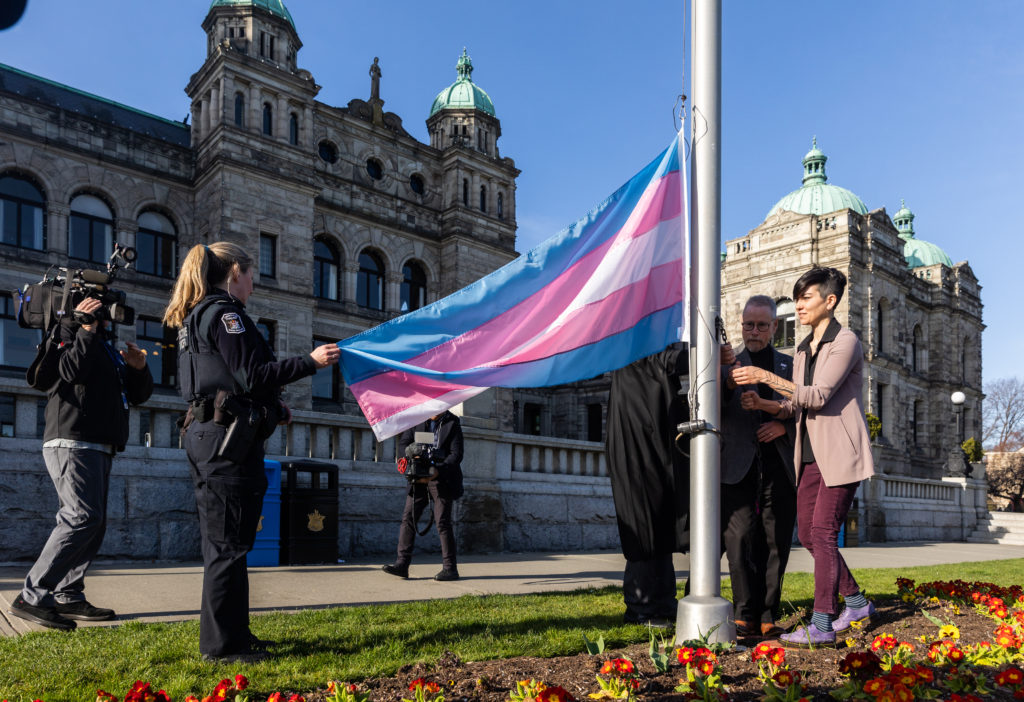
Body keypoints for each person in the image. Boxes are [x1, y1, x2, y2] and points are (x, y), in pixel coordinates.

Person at [163, 242, 340, 662]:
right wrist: (310, 363)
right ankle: (223, 648)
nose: (254, 284)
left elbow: (225, 382)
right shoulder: (226, 314)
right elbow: (252, 374)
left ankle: (235, 637)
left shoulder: (199, 314)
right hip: (225, 443)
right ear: (235, 273)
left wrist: (273, 408)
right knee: (227, 548)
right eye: (251, 274)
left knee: (229, 546)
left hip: (214, 435)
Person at [731, 267, 875, 648]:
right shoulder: (801, 348)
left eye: (806, 297)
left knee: (824, 534)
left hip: (840, 453)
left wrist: (763, 378)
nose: (799, 304)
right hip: (807, 455)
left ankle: (823, 622)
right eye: (797, 298)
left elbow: (818, 395)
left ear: (830, 301)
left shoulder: (846, 342)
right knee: (810, 536)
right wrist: (768, 405)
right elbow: (794, 403)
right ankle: (857, 603)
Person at [8, 297, 153, 631]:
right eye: (101, 309)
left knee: (93, 522)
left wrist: (138, 368)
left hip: (99, 443)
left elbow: (136, 395)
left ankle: (68, 594)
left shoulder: (103, 345)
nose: (108, 315)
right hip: (72, 440)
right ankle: (31, 596)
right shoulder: (67, 334)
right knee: (81, 518)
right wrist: (84, 327)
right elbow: (70, 372)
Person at [720, 296, 796, 639]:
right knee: (738, 538)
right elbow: (706, 403)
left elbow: (809, 408)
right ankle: (743, 612)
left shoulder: (790, 366)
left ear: (775, 327)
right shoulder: (726, 361)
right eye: (748, 324)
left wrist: (783, 426)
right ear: (741, 324)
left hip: (779, 465)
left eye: (762, 325)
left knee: (776, 541)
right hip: (737, 464)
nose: (754, 331)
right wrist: (728, 385)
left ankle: (767, 613)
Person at [605, 342, 690, 628]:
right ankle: (642, 609)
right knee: (644, 530)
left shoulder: (638, 347)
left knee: (659, 527)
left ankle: (663, 603)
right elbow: (672, 360)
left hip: (651, 446)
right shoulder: (638, 346)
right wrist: (712, 350)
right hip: (637, 449)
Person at [382, 410, 464, 581]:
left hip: (441, 477)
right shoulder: (416, 418)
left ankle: (450, 569)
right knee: (408, 518)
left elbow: (456, 455)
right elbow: (403, 444)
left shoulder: (452, 422)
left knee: (442, 522)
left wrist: (437, 471)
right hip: (418, 477)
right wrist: (411, 454)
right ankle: (402, 565)